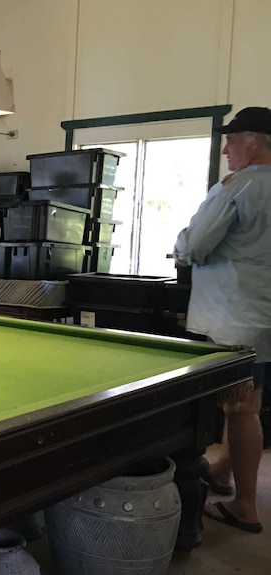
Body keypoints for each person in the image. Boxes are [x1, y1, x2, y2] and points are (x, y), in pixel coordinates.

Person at [173, 106, 271, 534]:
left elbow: (194, 246)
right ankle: (222, 473)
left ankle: (245, 506)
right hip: (264, 319)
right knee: (252, 406)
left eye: (231, 140)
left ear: (254, 141)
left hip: (234, 322)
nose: (226, 149)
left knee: (241, 410)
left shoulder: (238, 187)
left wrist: (181, 242)